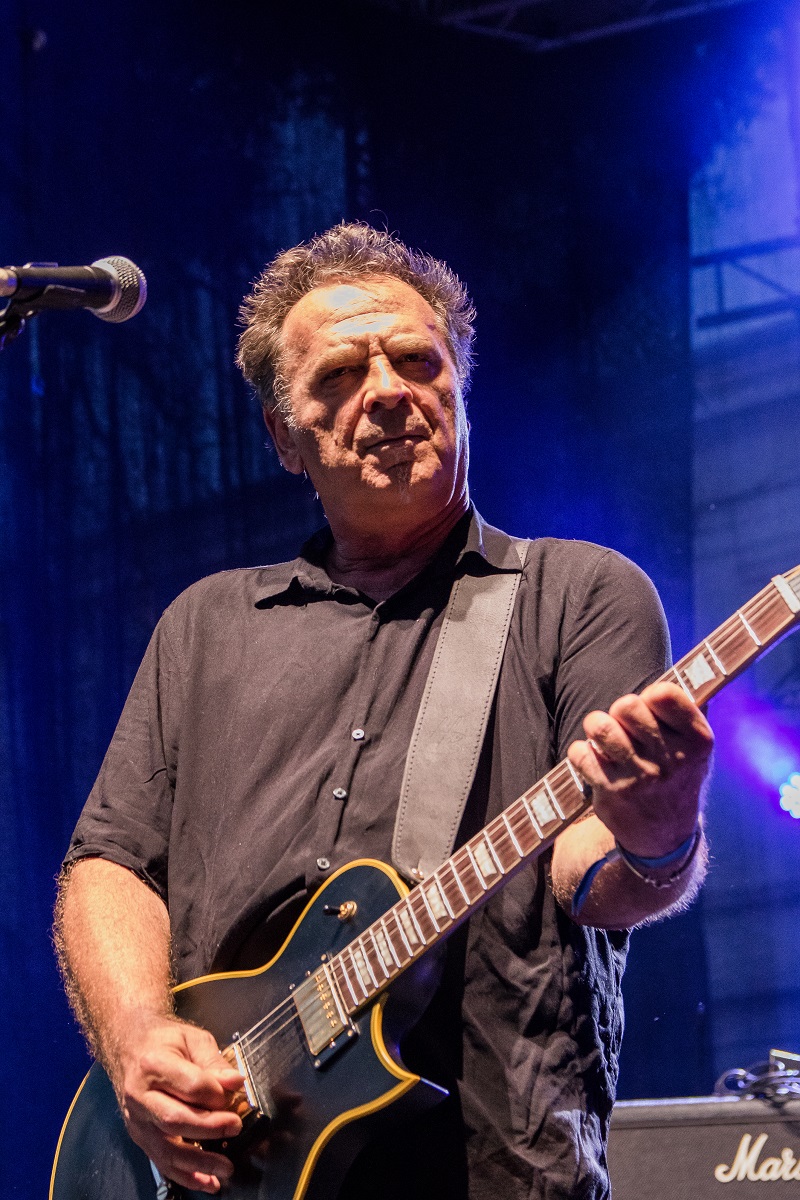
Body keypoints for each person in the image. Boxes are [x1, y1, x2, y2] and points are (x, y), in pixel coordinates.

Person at [55, 223, 713, 1200]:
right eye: (338, 376)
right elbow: (110, 863)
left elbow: (590, 872)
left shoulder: (576, 595)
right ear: (282, 437)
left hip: (488, 1166)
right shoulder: (206, 625)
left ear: (459, 389)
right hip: (224, 1166)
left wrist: (658, 835)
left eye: (416, 360)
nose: (389, 391)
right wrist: (137, 1039)